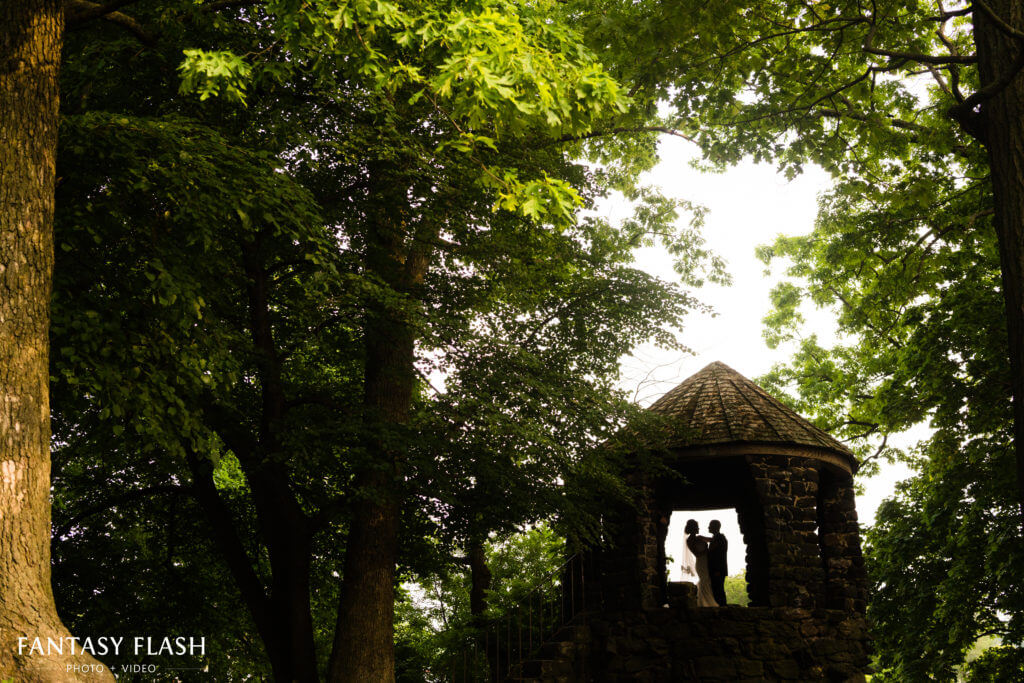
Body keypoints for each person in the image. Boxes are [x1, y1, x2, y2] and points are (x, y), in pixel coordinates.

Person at [681, 519, 718, 607]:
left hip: (707, 561)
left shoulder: (700, 537)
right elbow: (697, 554)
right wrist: (708, 551)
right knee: (704, 580)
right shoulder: (689, 540)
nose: (699, 528)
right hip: (701, 563)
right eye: (697, 526)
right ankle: (705, 603)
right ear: (693, 528)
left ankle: (703, 601)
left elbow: (712, 540)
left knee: (706, 580)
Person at [708, 519, 728, 606]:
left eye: (710, 525)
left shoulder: (719, 538)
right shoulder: (717, 538)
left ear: (715, 527)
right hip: (717, 569)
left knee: (718, 590)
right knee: (717, 589)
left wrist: (717, 570)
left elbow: (718, 556)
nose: (708, 527)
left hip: (718, 569)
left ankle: (722, 608)